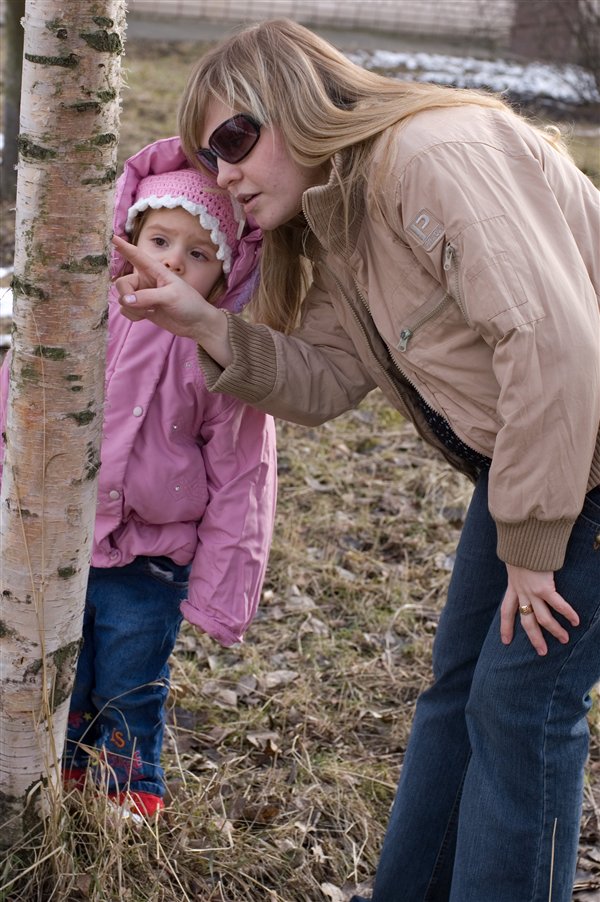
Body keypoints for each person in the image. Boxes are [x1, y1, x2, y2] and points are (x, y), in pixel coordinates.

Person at [111, 18, 599, 899]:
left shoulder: (430, 155)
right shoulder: (343, 219)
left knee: (521, 706)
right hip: (538, 460)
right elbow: (328, 379)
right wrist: (201, 320)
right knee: (460, 693)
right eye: (206, 153)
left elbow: (554, 344)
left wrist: (533, 545)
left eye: (232, 140)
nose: (221, 174)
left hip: (583, 453)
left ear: (296, 101)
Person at [0, 136, 277, 818]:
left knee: (131, 682)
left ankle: (130, 796)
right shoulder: (77, 317)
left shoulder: (220, 354)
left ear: (228, 271)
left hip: (152, 562)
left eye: (198, 253)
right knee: (66, 673)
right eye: (159, 239)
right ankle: (60, 784)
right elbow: (18, 404)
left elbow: (245, 478)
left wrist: (221, 594)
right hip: (59, 543)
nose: (172, 262)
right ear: (127, 236)